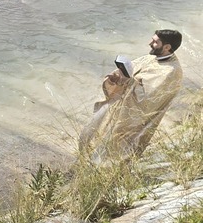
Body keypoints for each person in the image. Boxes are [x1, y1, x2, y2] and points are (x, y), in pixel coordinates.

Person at [78, 29, 184, 162]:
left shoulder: (172, 71)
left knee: (116, 149)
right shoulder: (151, 57)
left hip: (134, 117)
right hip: (119, 105)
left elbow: (150, 98)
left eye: (155, 42)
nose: (150, 43)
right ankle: (86, 164)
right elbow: (130, 70)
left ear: (167, 47)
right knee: (93, 134)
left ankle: (104, 175)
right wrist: (115, 78)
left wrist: (128, 81)